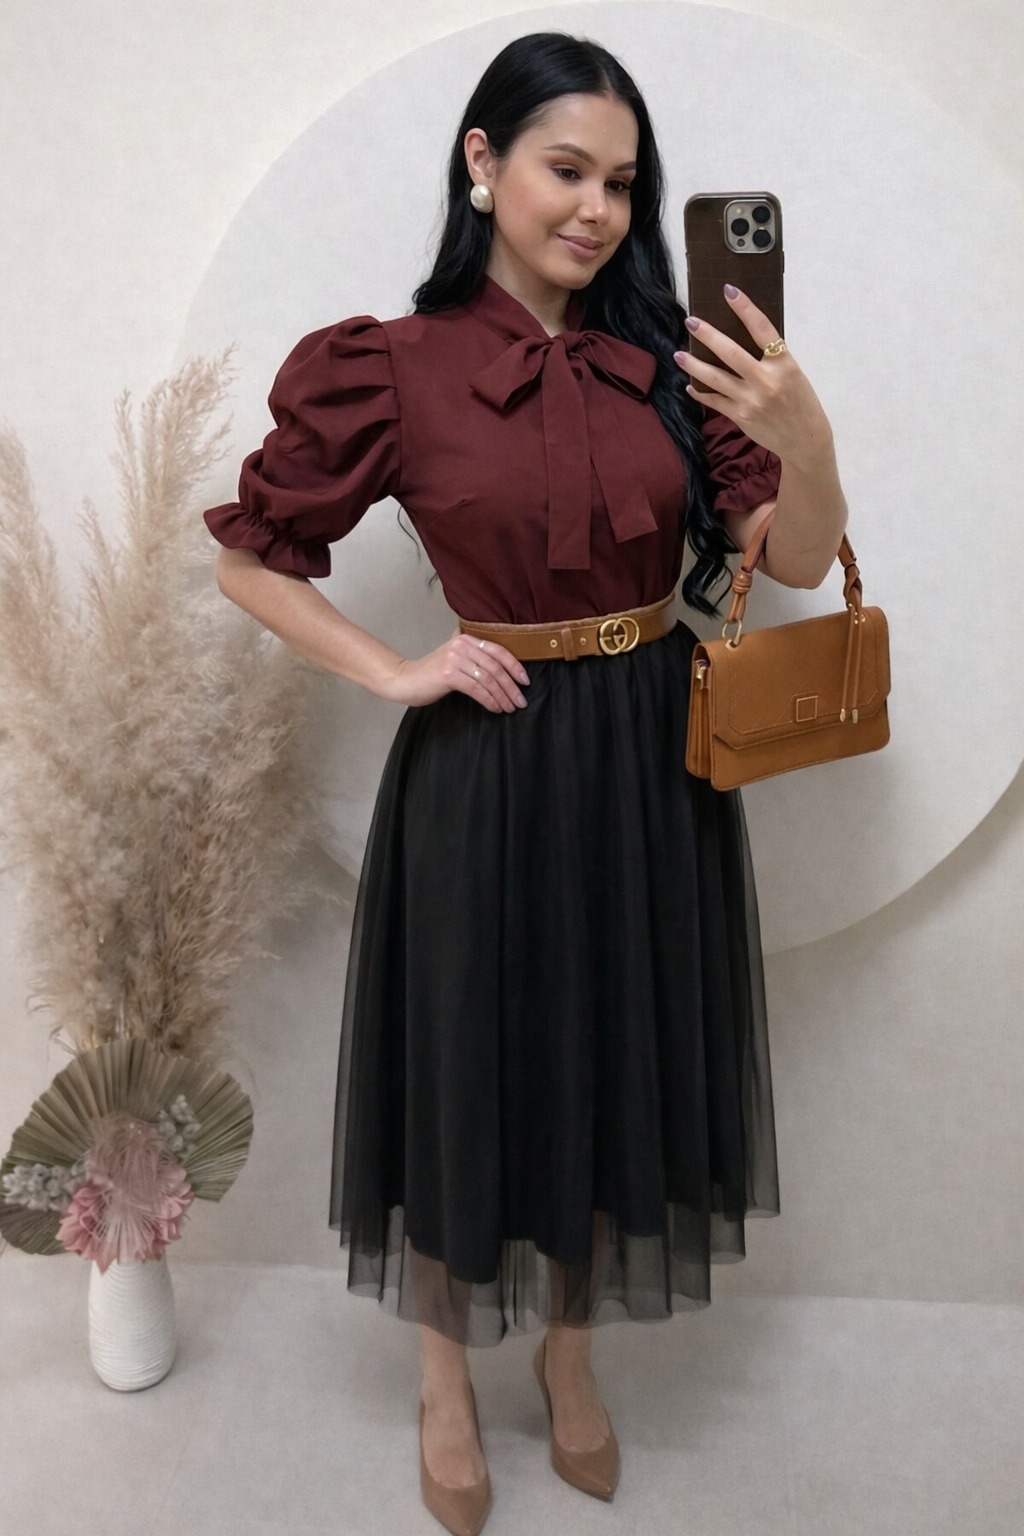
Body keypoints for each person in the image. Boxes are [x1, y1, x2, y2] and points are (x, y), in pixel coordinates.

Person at [203, 31, 847, 1536]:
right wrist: (395, 670)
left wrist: (805, 435)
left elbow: (799, 560)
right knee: (469, 1069)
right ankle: (443, 1383)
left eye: (624, 182)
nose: (598, 210)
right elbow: (250, 560)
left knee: (612, 1058)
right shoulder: (392, 364)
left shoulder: (676, 361)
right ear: (484, 165)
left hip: (655, 759)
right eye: (568, 170)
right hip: (485, 763)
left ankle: (568, 1355)